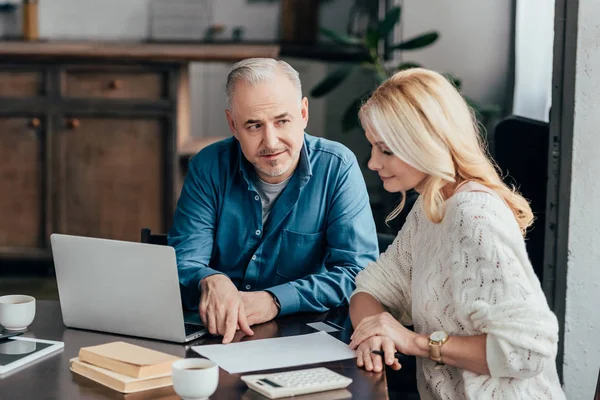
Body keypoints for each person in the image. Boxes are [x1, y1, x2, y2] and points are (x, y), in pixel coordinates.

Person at [348, 68, 565, 399]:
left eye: (386, 150)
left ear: (426, 143)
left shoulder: (473, 215)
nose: (372, 163)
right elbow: (372, 288)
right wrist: (374, 331)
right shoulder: (432, 206)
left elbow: (530, 350)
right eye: (373, 148)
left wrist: (414, 341)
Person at [168, 58, 379, 344]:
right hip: (216, 336)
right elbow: (184, 259)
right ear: (232, 124)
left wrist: (274, 300)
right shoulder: (208, 166)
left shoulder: (337, 167)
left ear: (303, 113)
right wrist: (208, 279)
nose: (271, 141)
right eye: (253, 126)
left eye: (282, 121)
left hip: (304, 335)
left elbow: (357, 273)